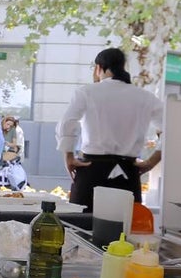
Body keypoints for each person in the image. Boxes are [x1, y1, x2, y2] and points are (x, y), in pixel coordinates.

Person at [55, 47, 164, 210]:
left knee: (82, 227)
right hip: (128, 172)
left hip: (91, 170)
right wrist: (151, 162)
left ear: (98, 67)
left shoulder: (86, 92)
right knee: (123, 229)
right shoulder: (145, 97)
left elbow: (67, 123)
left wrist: (68, 156)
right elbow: (172, 129)